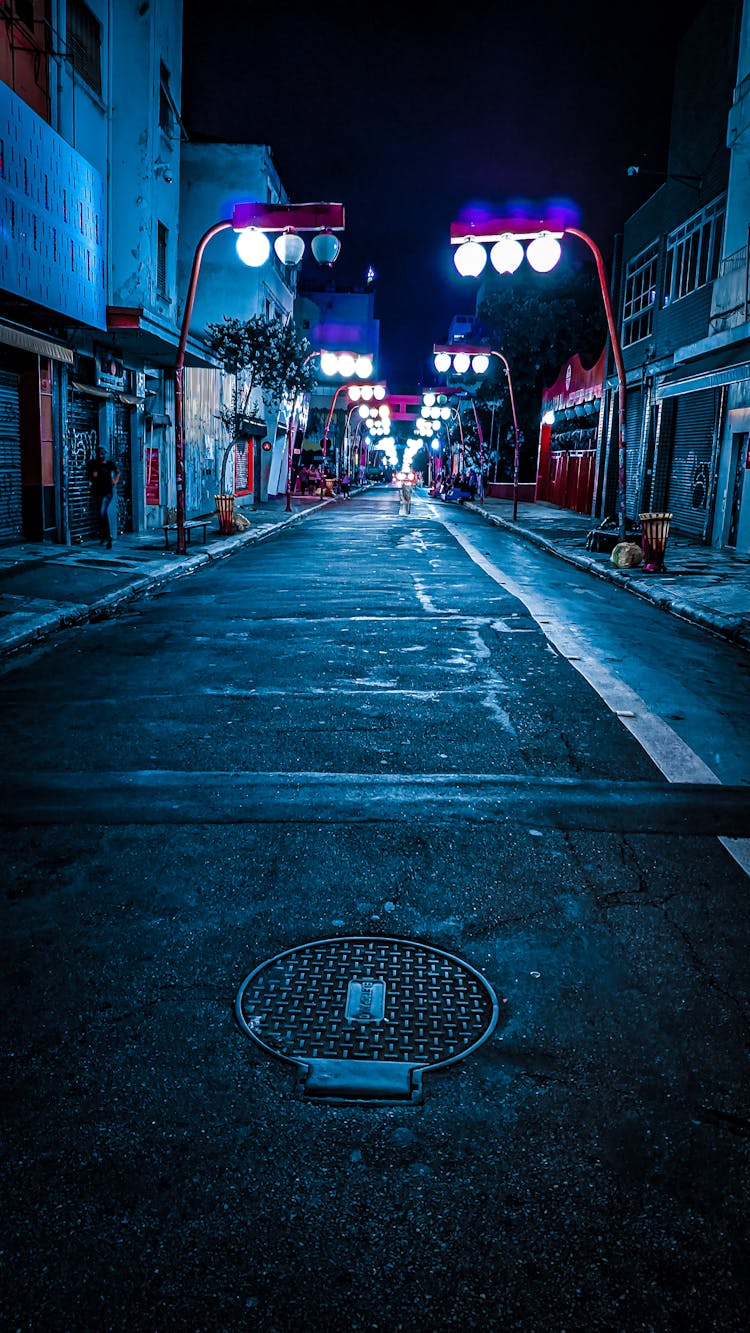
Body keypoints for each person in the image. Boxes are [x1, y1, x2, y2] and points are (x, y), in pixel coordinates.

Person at [87, 446, 119, 548]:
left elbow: (118, 472)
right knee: (100, 515)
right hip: (97, 493)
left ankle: (108, 538)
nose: (102, 455)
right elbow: (89, 476)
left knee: (102, 512)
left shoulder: (109, 464)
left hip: (107, 493)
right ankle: (103, 536)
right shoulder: (93, 464)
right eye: (100, 454)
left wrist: (115, 481)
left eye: (103, 453)